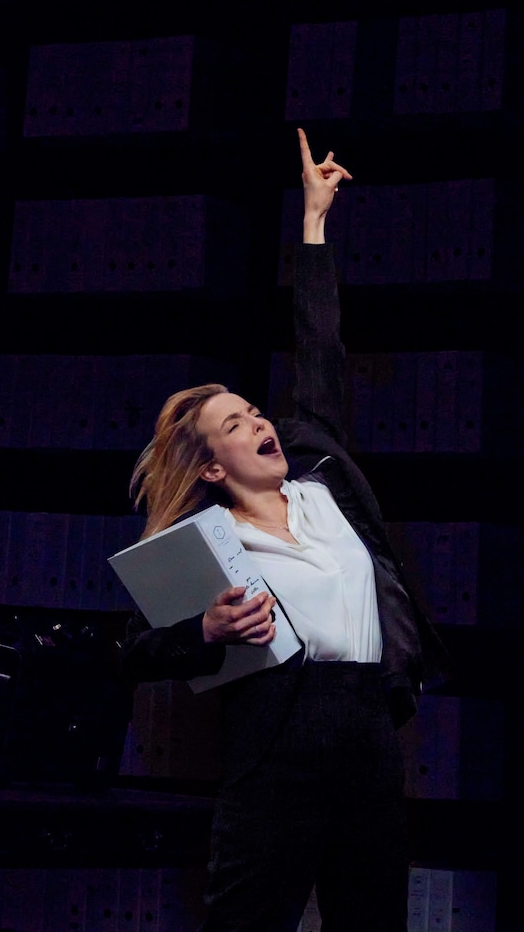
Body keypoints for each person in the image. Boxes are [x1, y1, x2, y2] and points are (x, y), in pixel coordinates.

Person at [120, 129, 451, 931]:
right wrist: (206, 629)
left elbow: (319, 350)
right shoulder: (209, 542)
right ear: (211, 465)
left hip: (367, 727)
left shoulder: (322, 480)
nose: (261, 422)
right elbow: (139, 649)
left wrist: (313, 221)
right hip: (277, 735)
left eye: (255, 410)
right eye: (236, 423)